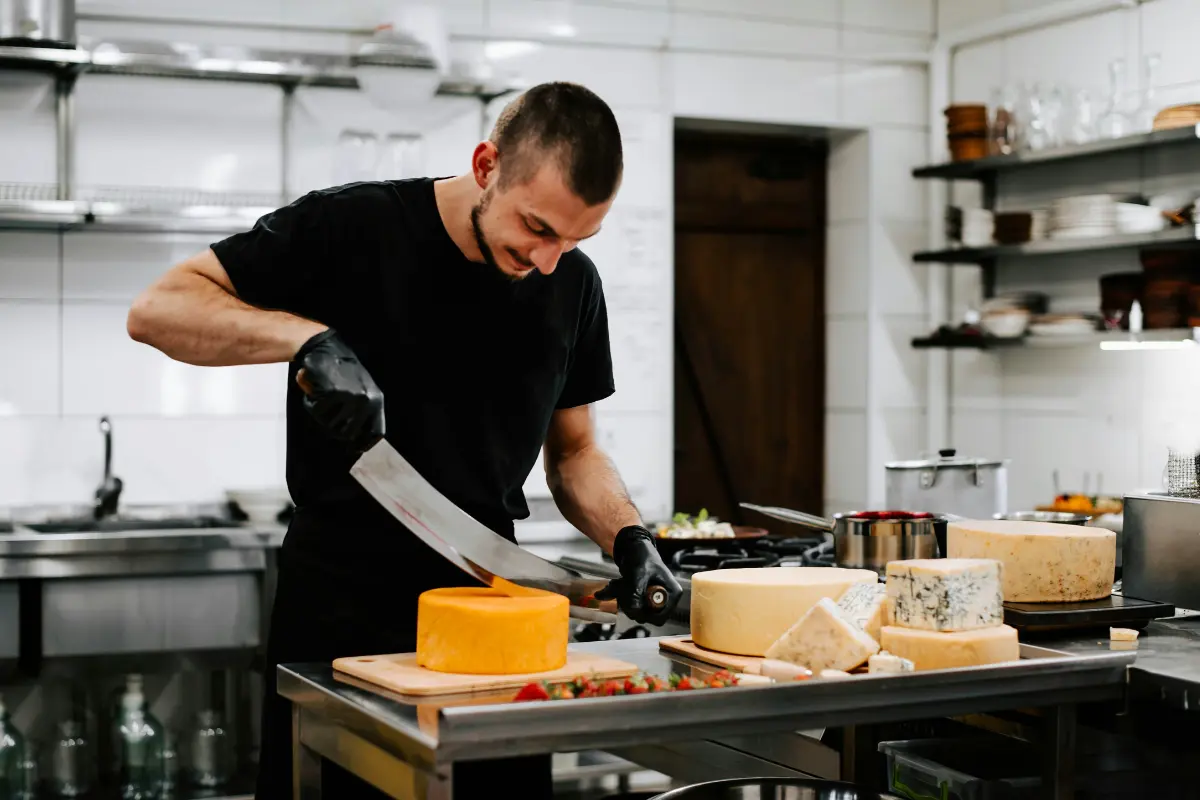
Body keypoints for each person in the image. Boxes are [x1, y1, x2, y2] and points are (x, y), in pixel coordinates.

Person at [125, 81, 684, 799]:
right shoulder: (351, 227)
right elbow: (158, 309)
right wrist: (307, 341)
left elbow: (573, 453)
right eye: (539, 228)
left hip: (493, 616)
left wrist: (629, 538)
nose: (550, 260)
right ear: (486, 165)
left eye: (577, 239)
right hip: (341, 616)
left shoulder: (572, 282)